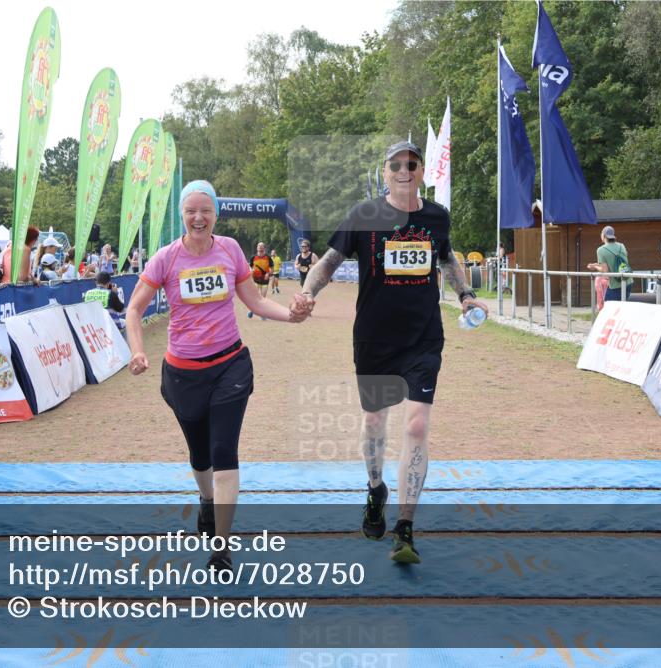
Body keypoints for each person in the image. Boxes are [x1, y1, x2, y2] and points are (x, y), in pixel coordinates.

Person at [295, 141, 488, 565]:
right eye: (396, 165)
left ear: (421, 172)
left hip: (423, 338)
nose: (404, 170)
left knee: (416, 427)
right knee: (375, 422)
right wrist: (308, 292)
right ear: (385, 172)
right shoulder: (365, 216)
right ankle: (375, 487)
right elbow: (329, 261)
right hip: (375, 340)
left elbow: (446, 258)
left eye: (412, 164)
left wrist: (466, 294)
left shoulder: (436, 216)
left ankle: (405, 527)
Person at [125, 180, 309, 572]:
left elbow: (255, 301)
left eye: (205, 210)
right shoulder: (165, 259)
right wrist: (137, 350)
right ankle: (207, 500)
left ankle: (221, 547)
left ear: (215, 214)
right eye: (191, 210)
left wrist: (290, 317)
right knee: (200, 454)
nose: (198, 217)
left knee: (225, 452)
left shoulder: (230, 251)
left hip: (230, 366)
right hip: (183, 373)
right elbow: (133, 310)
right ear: (182, 215)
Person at [586, 225, 633, 302]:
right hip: (628, 282)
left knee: (608, 305)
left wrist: (594, 267)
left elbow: (604, 270)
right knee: (620, 307)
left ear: (604, 235)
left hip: (616, 285)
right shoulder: (622, 246)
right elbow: (616, 260)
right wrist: (596, 264)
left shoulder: (601, 250)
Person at [247, 242, 274, 319]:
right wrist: (251, 270)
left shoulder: (268, 258)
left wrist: (268, 274)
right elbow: (250, 267)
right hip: (255, 280)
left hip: (265, 281)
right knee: (255, 297)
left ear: (264, 248)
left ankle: (262, 314)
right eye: (258, 246)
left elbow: (272, 269)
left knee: (262, 298)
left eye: (261, 246)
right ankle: (252, 310)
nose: (260, 247)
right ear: (257, 248)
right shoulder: (253, 257)